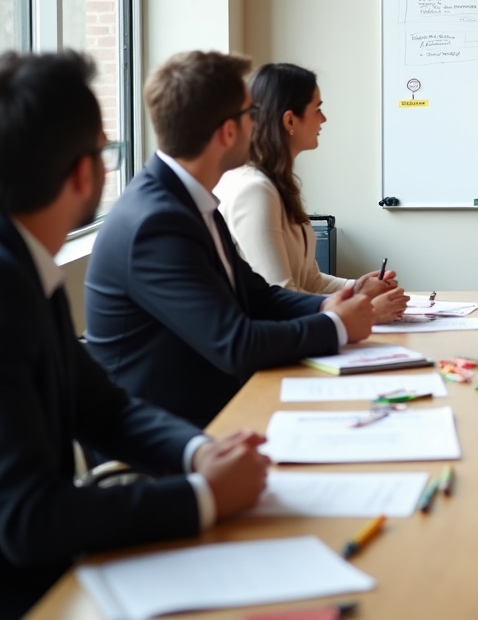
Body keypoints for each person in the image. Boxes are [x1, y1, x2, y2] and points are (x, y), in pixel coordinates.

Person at [0, 51, 268, 619]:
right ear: (82, 172)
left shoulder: (25, 266)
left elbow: (106, 409)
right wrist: (203, 497)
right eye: (104, 149)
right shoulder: (7, 287)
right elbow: (28, 520)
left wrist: (200, 453)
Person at [85, 51, 378, 428]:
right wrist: (336, 325)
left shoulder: (188, 201)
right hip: (173, 436)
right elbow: (235, 344)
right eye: (251, 115)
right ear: (227, 131)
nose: (259, 125)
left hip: (214, 412)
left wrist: (327, 307)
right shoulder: (157, 223)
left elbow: (256, 295)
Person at [215, 63, 408, 322]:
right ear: (290, 120)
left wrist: (357, 287)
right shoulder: (254, 191)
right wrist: (364, 306)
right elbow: (280, 296)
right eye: (317, 109)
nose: (324, 119)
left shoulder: (278, 184)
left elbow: (311, 281)